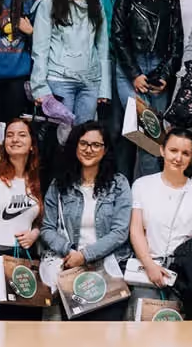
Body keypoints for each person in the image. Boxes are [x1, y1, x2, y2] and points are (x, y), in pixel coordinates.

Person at [40, 122, 134, 320]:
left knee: (107, 334)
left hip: (109, 269)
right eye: (83, 143)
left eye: (96, 145)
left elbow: (120, 232)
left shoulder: (119, 184)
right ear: (75, 146)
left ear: (105, 150)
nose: (89, 149)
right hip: (71, 271)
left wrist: (85, 255)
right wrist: (69, 252)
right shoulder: (59, 185)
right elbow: (47, 228)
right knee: (74, 336)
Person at [112, 0, 184, 177]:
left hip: (159, 70)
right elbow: (118, 35)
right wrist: (134, 73)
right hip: (129, 69)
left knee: (155, 140)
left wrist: (165, 75)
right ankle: (138, 194)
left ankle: (146, 192)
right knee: (144, 136)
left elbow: (177, 42)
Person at [130, 128, 192, 319]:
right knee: (144, 329)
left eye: (185, 153)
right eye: (173, 150)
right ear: (162, 150)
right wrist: (149, 265)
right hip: (147, 270)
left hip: (185, 276)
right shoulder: (142, 186)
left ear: (191, 157)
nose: (178, 158)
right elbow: (136, 230)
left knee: (181, 331)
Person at [0, 117, 44, 320]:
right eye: (10, 135)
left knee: (28, 330)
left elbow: (40, 222)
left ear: (32, 144)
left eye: (22, 135)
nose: (15, 139)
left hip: (26, 261)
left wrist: (34, 234)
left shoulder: (36, 180)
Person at [31, 0, 111, 125]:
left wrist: (104, 89)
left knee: (85, 136)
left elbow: (103, 47)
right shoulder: (48, 3)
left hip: (91, 82)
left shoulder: (96, 3)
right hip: (59, 80)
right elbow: (40, 50)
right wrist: (39, 88)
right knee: (62, 137)